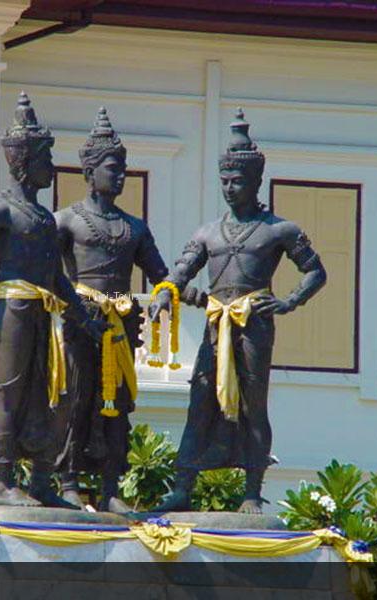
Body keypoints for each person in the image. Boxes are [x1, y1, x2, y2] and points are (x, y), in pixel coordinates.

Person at [149, 109, 327, 514]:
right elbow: (179, 274)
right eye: (225, 181)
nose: (230, 188)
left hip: (253, 325)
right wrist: (167, 294)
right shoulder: (207, 232)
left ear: (255, 181)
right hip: (216, 326)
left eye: (238, 181)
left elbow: (316, 271)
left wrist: (288, 301)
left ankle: (252, 489)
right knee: (200, 401)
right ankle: (183, 485)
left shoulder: (278, 230)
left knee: (252, 404)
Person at [0, 92, 108, 508]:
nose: (50, 168)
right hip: (14, 306)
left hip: (43, 310)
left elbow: (56, 278)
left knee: (53, 393)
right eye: (44, 159)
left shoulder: (45, 218)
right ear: (23, 161)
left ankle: (42, 480)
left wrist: (85, 319)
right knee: (12, 389)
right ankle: (3, 480)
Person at [54, 108, 169, 512]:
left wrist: (164, 295)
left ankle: (111, 487)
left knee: (117, 404)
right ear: (89, 171)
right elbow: (48, 271)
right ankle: (68, 480)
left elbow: (161, 275)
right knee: (78, 397)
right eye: (111, 168)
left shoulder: (134, 228)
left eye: (122, 168)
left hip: (120, 323)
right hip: (81, 318)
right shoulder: (67, 220)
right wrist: (73, 306)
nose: (119, 175)